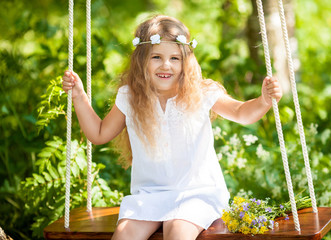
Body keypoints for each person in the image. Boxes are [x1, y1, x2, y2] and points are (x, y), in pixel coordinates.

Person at [62, 15, 282, 240]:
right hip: (149, 195)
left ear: (186, 62)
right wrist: (79, 97)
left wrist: (264, 100)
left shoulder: (201, 92)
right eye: (156, 57)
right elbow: (99, 134)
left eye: (175, 58)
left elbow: (241, 113)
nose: (166, 65)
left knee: (177, 232)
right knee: (124, 236)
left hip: (197, 194)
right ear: (141, 61)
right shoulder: (129, 97)